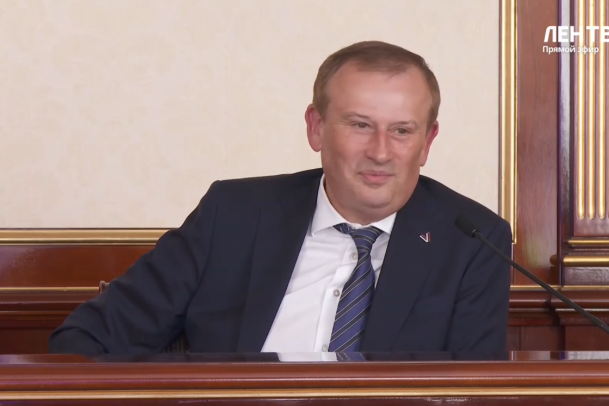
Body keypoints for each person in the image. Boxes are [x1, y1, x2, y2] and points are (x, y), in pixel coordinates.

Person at [49, 40, 512, 356]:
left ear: (427, 142)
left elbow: (476, 392)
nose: (380, 151)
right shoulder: (232, 215)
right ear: (316, 127)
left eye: (402, 131)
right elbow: (86, 341)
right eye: (359, 125)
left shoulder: (473, 240)